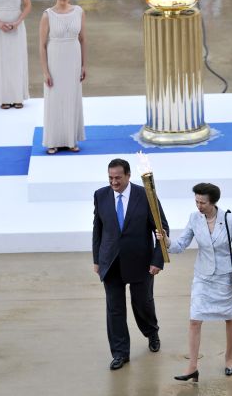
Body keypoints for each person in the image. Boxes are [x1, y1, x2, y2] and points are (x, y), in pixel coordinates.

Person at [156, 182, 232, 382]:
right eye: (196, 201)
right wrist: (165, 240)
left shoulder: (230, 219)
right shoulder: (194, 218)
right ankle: (192, 367)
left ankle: (229, 358)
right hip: (202, 276)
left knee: (229, 317)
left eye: (202, 203)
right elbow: (180, 245)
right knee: (194, 320)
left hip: (225, 277)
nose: (198, 206)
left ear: (213, 202)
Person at [93, 158, 169, 370]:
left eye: (118, 177)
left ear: (128, 176)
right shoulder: (101, 195)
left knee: (142, 304)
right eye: (110, 178)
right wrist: (97, 259)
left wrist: (157, 260)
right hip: (111, 263)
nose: (114, 182)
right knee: (114, 310)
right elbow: (98, 230)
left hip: (141, 263)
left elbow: (162, 229)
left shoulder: (146, 195)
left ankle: (152, 333)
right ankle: (120, 353)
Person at [39, 0, 86, 155]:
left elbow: (83, 40)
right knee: (55, 99)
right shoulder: (47, 15)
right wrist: (45, 71)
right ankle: (53, 141)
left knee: (72, 98)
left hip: (73, 58)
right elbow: (42, 46)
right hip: (55, 60)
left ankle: (70, 139)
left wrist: (83, 65)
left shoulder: (79, 11)